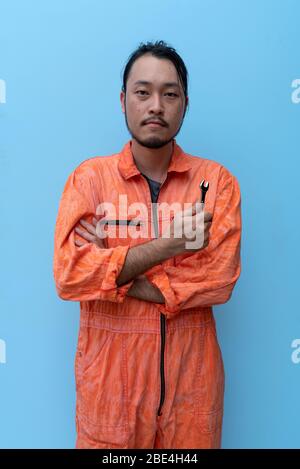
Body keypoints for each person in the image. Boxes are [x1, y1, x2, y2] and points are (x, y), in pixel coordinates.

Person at [53, 40, 241, 449]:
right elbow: (70, 276)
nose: (156, 105)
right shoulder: (89, 181)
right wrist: (172, 245)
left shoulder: (216, 184)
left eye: (169, 94)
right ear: (124, 101)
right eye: (143, 92)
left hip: (192, 392)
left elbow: (218, 280)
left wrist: (111, 272)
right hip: (109, 396)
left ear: (184, 103)